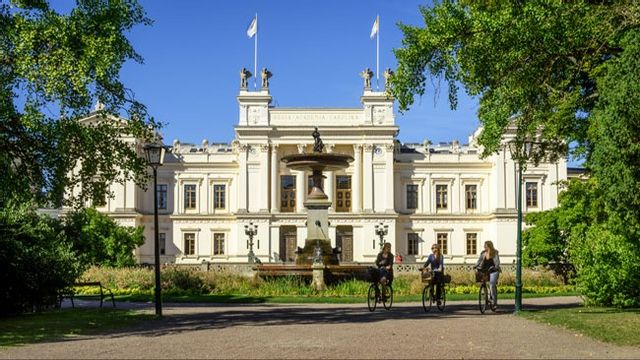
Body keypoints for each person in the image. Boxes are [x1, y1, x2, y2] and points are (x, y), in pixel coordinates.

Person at [475, 240, 501, 309]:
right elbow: (479, 261)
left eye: (485, 246)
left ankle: (494, 302)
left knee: (492, 284)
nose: (484, 247)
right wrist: (476, 266)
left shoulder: (495, 253)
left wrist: (495, 267)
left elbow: (497, 263)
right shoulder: (483, 253)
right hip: (485, 270)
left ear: (489, 246)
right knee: (483, 282)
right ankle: (485, 294)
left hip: (493, 271)